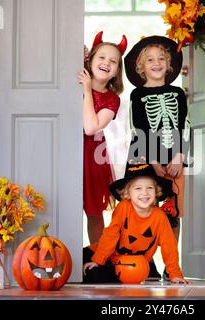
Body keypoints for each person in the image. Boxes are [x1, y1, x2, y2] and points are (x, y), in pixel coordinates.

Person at [123, 36, 191, 279]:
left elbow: (185, 123)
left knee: (173, 213)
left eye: (161, 59)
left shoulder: (178, 93)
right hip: (144, 158)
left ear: (169, 64)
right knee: (144, 210)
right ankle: (145, 263)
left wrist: (180, 155)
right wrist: (153, 162)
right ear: (141, 67)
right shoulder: (137, 95)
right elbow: (137, 128)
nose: (156, 63)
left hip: (175, 158)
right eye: (150, 60)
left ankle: (172, 267)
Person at [82, 162, 191, 284]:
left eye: (150, 188)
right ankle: (105, 271)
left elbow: (169, 246)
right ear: (127, 192)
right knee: (78, 258)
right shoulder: (123, 208)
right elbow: (110, 235)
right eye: (138, 188)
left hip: (131, 264)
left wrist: (175, 274)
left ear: (157, 192)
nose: (144, 193)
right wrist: (97, 260)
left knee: (94, 275)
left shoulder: (159, 217)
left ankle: (117, 275)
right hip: (104, 253)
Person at [77, 31, 128, 244]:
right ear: (90, 60)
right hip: (68, 150)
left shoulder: (112, 100)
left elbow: (91, 127)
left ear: (117, 71)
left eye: (113, 61)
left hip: (92, 155)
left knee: (94, 211)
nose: (107, 62)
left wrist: (88, 92)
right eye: (102, 57)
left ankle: (96, 257)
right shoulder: (72, 83)